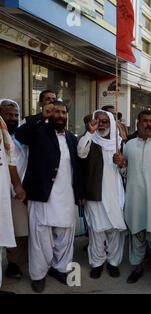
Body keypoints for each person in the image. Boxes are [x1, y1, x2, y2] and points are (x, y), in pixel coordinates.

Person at [15, 101, 84, 293]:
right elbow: (20, 135)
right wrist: (41, 116)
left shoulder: (71, 137)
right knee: (40, 237)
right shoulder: (38, 131)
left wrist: (80, 193)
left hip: (67, 196)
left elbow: (76, 168)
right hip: (41, 194)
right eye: (56, 112)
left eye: (63, 112)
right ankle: (38, 275)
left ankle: (60, 269)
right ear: (50, 114)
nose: (60, 115)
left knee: (65, 235)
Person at [113, 110, 151, 286]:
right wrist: (121, 164)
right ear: (138, 123)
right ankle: (137, 268)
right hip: (135, 198)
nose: (149, 124)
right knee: (136, 235)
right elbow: (125, 171)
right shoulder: (129, 145)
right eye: (145, 121)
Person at [77, 110, 127, 279]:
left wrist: (121, 163)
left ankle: (113, 263)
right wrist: (90, 133)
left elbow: (127, 169)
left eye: (106, 121)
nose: (102, 124)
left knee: (115, 231)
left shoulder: (119, 143)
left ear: (111, 123)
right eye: (99, 121)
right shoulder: (89, 140)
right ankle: (97, 263)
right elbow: (81, 153)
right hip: (95, 194)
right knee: (96, 231)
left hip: (115, 193)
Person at [0, 100, 28, 280]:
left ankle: (13, 264)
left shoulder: (22, 137)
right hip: (3, 191)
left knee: (20, 231)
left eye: (16, 115)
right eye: (8, 114)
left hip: (19, 193)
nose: (12, 118)